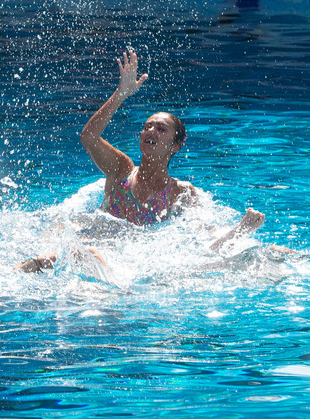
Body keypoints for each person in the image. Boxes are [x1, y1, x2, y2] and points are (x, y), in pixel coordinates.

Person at [20, 50, 265, 272]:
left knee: (272, 253)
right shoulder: (121, 171)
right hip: (96, 255)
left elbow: (199, 251)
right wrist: (121, 94)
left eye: (161, 129)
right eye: (147, 127)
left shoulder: (180, 193)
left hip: (134, 270)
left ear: (176, 145)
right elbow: (88, 137)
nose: (150, 131)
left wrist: (240, 231)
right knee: (44, 260)